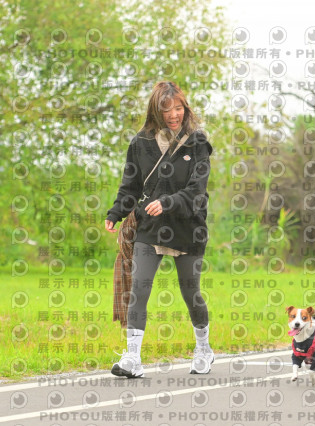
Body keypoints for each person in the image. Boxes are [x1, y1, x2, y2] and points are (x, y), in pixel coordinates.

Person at [105, 81, 214, 377]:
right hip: (150, 226)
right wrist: (116, 212)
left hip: (188, 227)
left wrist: (167, 202)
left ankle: (203, 348)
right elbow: (131, 185)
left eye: (179, 108)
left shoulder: (197, 142)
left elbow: (197, 191)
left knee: (190, 292)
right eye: (167, 110)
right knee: (139, 288)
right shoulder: (140, 143)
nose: (174, 115)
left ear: (185, 109)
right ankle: (132, 358)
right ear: (156, 110)